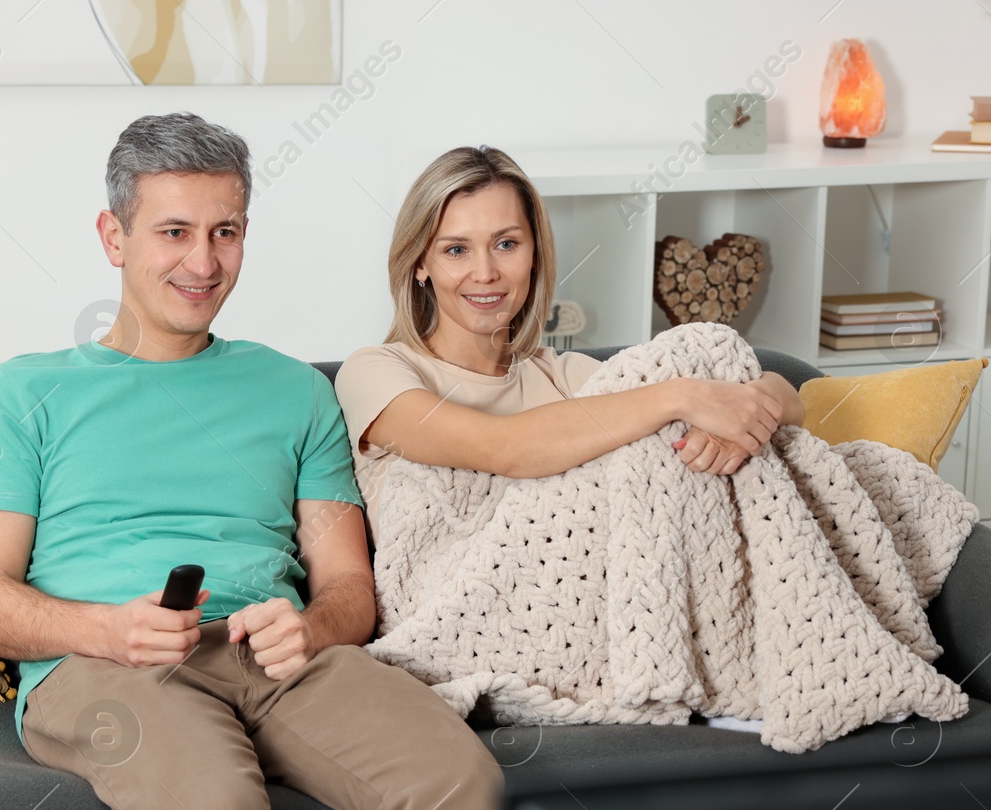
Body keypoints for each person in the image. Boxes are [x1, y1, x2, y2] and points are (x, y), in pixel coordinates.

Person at [0, 113, 504, 810]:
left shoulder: (293, 392)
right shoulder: (24, 392)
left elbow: (348, 591)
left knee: (460, 782)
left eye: (227, 230)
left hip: (271, 651)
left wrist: (313, 624)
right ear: (113, 237)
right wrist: (107, 630)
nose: (204, 261)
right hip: (103, 671)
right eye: (174, 232)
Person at [334, 145, 806, 546]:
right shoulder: (375, 372)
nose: (485, 273)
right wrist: (685, 397)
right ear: (420, 264)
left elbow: (790, 395)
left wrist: (728, 421)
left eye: (506, 244)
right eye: (456, 250)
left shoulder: (561, 376)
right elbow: (504, 449)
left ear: (534, 253)